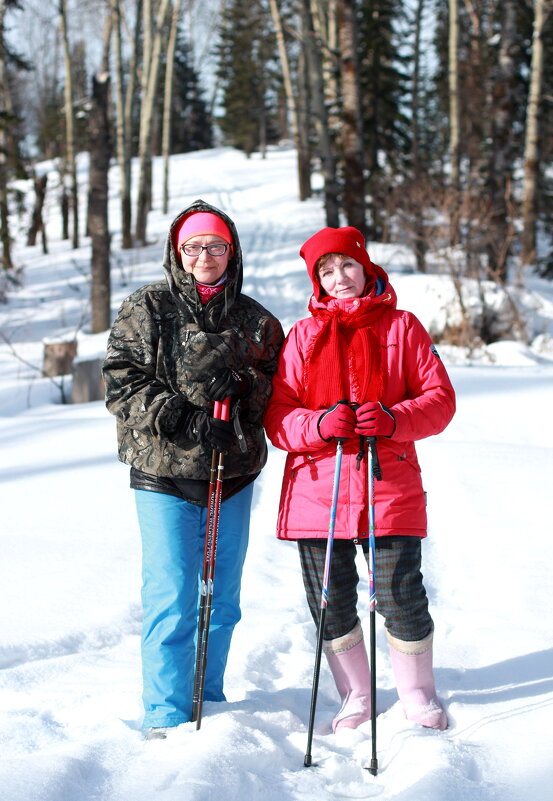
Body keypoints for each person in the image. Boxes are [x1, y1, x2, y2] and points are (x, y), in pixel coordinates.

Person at [103, 199, 284, 739]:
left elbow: (277, 392)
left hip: (233, 477)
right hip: (163, 476)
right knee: (173, 596)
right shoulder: (147, 308)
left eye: (215, 245)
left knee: (220, 599)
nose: (205, 255)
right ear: (177, 253)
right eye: (194, 246)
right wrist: (187, 416)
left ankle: (208, 699)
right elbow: (121, 383)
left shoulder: (256, 320)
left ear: (232, 251)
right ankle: (165, 714)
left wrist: (247, 392)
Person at [264, 226, 456, 733]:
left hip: (387, 485)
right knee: (329, 598)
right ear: (316, 281)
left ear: (365, 266)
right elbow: (278, 416)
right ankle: (356, 694)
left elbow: (440, 401)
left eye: (346, 265)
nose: (339, 278)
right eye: (325, 271)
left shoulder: (403, 327)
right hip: (315, 491)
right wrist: (319, 424)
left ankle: (418, 693)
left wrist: (393, 419)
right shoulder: (302, 337)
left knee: (399, 594)